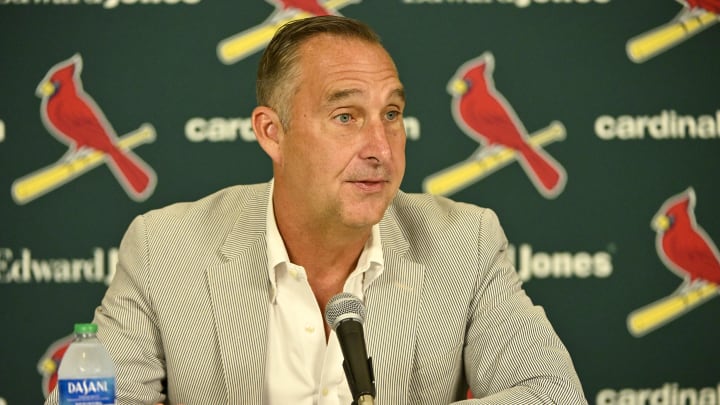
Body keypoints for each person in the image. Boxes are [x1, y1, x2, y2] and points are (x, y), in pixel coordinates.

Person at [46, 15, 587, 405]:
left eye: (392, 113)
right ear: (271, 132)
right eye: (346, 116)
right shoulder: (167, 249)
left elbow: (552, 393)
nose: (381, 146)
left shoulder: (461, 242)